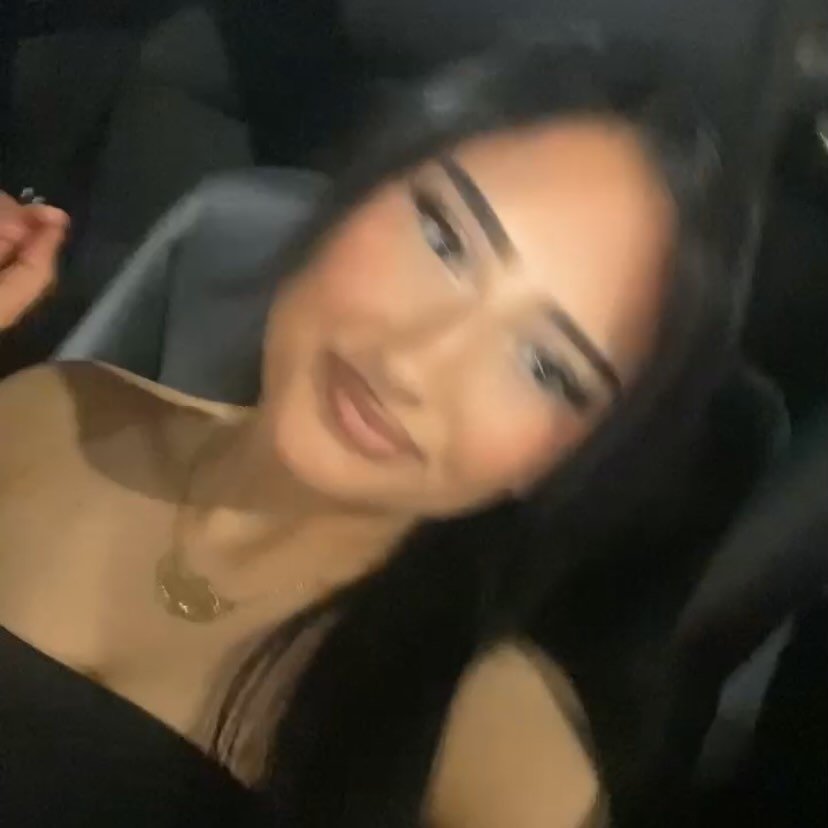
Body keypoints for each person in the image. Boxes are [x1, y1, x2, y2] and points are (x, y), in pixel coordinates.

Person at [0, 41, 739, 828]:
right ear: (355, 192)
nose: (416, 363)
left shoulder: (506, 769)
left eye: (546, 367)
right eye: (445, 240)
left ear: (572, 456)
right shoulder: (50, 414)